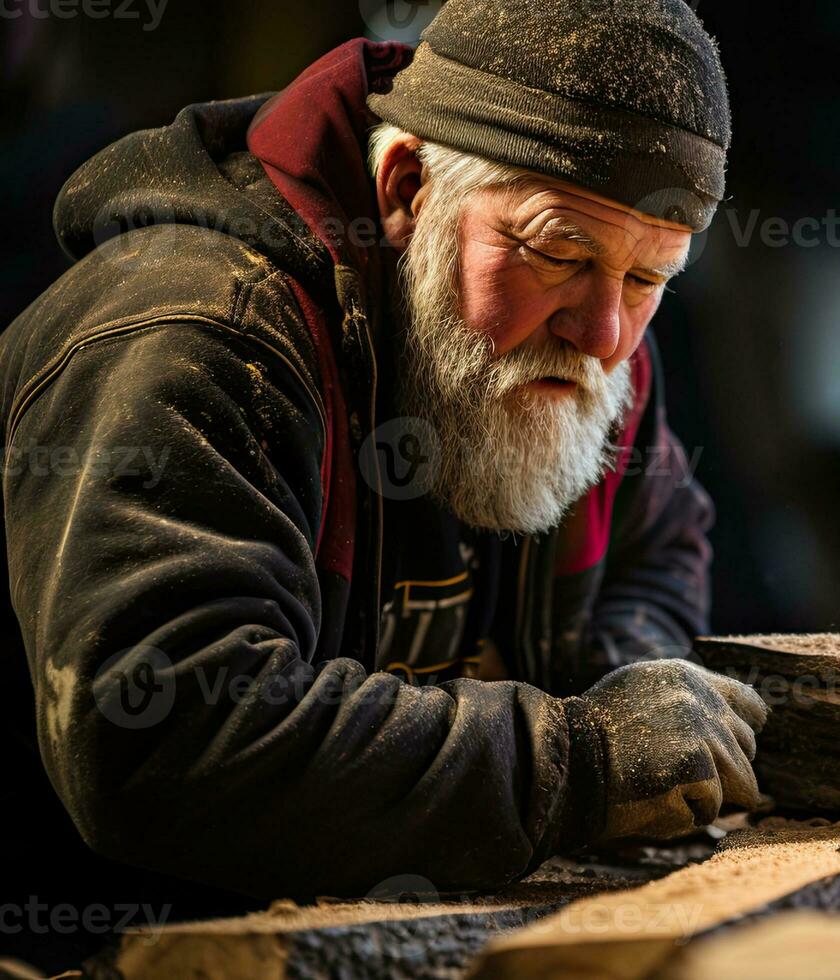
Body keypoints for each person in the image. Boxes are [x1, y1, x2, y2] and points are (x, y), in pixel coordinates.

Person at [0, 0, 763, 961]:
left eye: (650, 279)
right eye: (559, 251)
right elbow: (163, 738)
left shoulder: (585, 344)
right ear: (405, 187)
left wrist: (620, 678)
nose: (605, 333)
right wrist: (579, 758)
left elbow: (662, 539)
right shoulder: (196, 337)